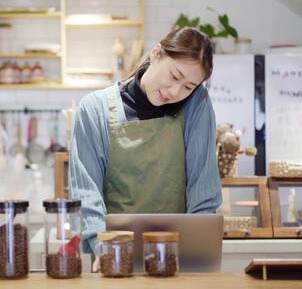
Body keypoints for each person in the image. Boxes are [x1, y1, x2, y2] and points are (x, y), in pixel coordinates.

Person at [68, 27, 222, 267]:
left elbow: (203, 191)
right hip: (113, 258)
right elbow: (86, 193)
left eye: (188, 87)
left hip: (176, 261)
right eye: (174, 76)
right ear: (156, 53)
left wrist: (197, 255)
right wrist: (103, 250)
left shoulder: (196, 105)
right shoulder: (94, 109)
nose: (175, 92)